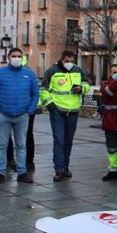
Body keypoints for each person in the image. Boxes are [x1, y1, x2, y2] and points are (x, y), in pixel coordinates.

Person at [40, 50, 90, 182]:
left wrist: (81, 88)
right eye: (67, 61)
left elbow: (86, 84)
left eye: (71, 61)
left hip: (73, 111)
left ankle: (65, 167)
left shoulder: (78, 70)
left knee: (68, 142)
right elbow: (43, 90)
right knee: (59, 141)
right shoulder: (52, 71)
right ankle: (59, 169)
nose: (69, 63)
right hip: (58, 111)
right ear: (61, 60)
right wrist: (51, 106)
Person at [0, 48, 39, 184]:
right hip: (3, 115)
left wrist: (29, 111)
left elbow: (35, 94)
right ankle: (0, 172)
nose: (17, 58)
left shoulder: (29, 74)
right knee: (1, 145)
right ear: (8, 57)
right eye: (14, 56)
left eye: (19, 56)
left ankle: (22, 172)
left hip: (22, 116)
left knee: (21, 145)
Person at [100, 64, 117, 181]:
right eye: (115, 72)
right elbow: (109, 92)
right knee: (111, 147)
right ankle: (113, 170)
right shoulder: (105, 85)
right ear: (110, 74)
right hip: (110, 121)